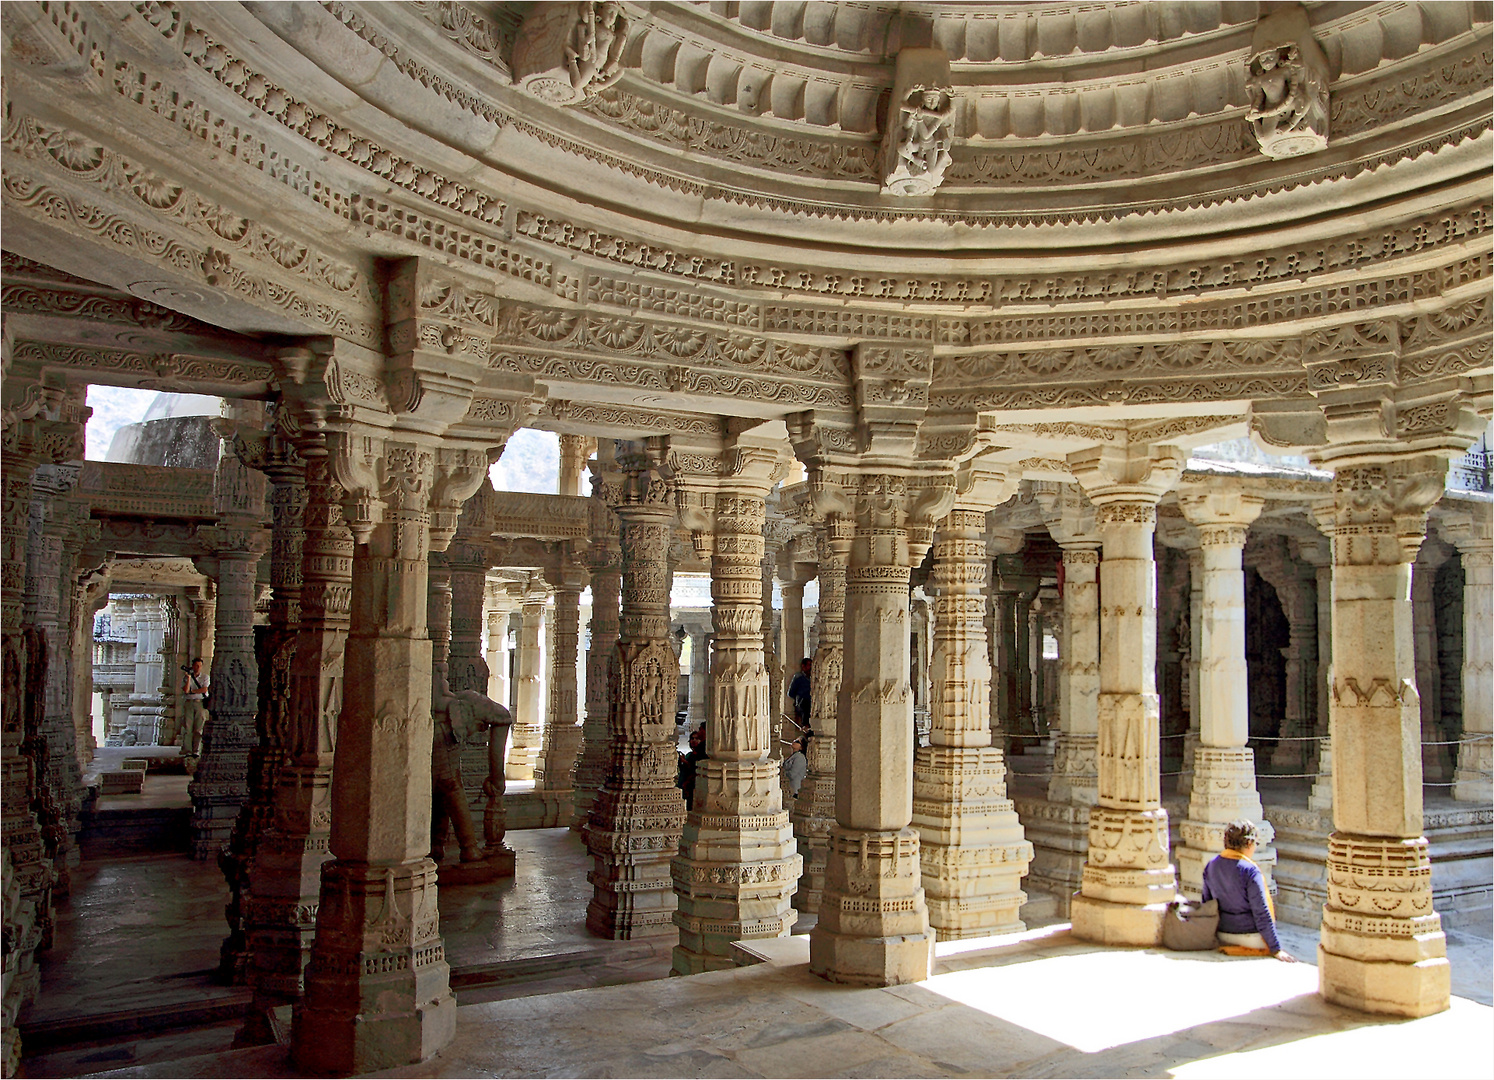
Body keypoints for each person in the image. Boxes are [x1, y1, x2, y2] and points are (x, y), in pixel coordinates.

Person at [1201, 820, 1296, 962]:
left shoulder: (1212, 865)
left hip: (1221, 934)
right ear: (1249, 844)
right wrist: (1276, 949)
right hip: (1249, 937)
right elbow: (1261, 911)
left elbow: (1206, 904)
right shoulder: (1250, 870)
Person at [180, 657, 210, 757]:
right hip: (189, 703)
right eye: (196, 666)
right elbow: (185, 690)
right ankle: (187, 750)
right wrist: (189, 678)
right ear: (193, 666)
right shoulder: (187, 677)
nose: (198, 668)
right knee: (188, 727)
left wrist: (192, 692)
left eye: (199, 666)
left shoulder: (205, 677)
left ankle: (196, 750)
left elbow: (204, 689)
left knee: (199, 727)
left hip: (199, 703)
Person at [677, 724, 707, 811]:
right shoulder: (691, 754)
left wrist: (685, 762)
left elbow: (695, 766)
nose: (694, 741)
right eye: (692, 739)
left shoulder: (703, 749)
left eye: (696, 738)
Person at [788, 657, 812, 727]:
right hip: (802, 703)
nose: (811, 667)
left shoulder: (813, 678)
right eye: (809, 665)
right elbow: (791, 693)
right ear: (803, 666)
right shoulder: (798, 677)